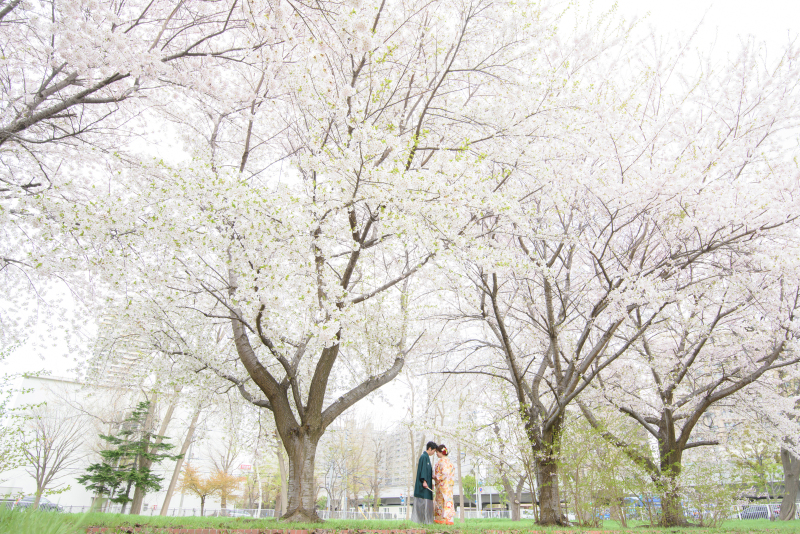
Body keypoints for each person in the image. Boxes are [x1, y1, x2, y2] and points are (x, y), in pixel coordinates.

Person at [411, 441, 437, 524]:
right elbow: (423, 470)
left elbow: (428, 471)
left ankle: (426, 521)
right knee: (422, 502)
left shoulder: (427, 458)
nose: (434, 453)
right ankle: (421, 521)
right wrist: (425, 481)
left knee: (426, 503)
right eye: (434, 451)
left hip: (427, 484)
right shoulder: (424, 457)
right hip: (423, 485)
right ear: (430, 448)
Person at [433, 443, 455, 525]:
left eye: (437, 452)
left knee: (440, 501)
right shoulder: (449, 462)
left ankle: (441, 519)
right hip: (449, 485)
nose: (437, 454)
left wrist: (436, 477)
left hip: (442, 485)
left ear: (440, 452)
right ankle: (448, 519)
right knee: (448, 501)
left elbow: (444, 474)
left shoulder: (442, 462)